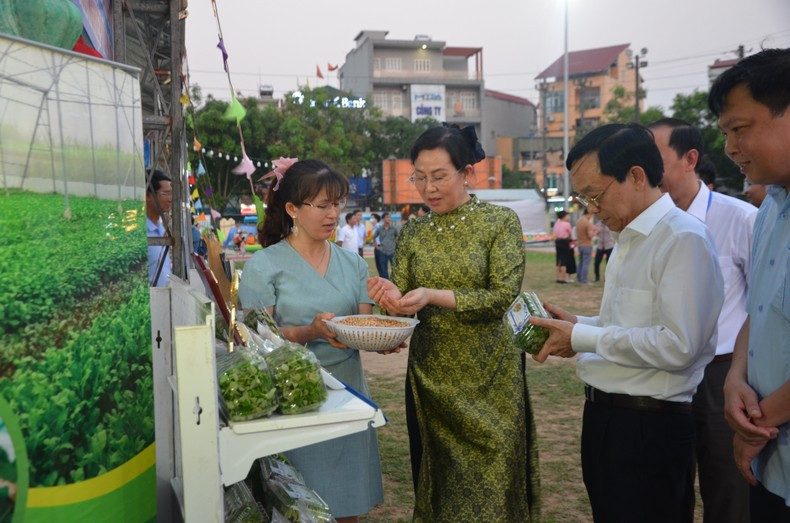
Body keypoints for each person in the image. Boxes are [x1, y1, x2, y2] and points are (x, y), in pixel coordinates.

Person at [530, 123, 724, 523]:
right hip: (606, 418)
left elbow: (678, 344)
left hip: (650, 428)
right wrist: (578, 325)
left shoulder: (682, 239)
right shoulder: (629, 239)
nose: (591, 209)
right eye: (583, 198)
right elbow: (629, 322)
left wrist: (583, 336)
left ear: (636, 176)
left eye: (595, 195)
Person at [368, 125, 540, 522]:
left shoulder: (500, 222)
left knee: (494, 482)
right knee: (437, 482)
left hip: (491, 378)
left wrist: (433, 296)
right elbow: (406, 306)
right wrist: (392, 299)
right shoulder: (412, 233)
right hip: (430, 378)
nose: (428, 188)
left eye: (439, 176)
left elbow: (502, 296)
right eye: (420, 177)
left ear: (467, 173)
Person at [238, 159, 384, 522]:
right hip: (294, 401)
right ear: (292, 209)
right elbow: (254, 341)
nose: (333, 213)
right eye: (322, 205)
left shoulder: (354, 264)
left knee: (347, 506)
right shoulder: (264, 266)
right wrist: (310, 332)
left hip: (349, 398)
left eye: (338, 204)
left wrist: (383, 337)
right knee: (298, 508)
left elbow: (362, 325)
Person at [650, 117, 757, 523]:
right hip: (662, 373)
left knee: (728, 490)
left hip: (721, 376)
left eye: (654, 157)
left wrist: (742, 377)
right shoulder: (646, 224)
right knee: (664, 487)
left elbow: (760, 305)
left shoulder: (740, 219)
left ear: (689, 158)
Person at [710, 48, 790, 520]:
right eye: (725, 134)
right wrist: (735, 379)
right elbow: (759, 312)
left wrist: (756, 422)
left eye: (740, 130)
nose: (730, 148)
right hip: (770, 461)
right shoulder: (770, 209)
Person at [145, 170, 173, 287]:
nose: (170, 199)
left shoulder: (161, 228)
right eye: (165, 194)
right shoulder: (142, 231)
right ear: (148, 196)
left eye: (171, 193)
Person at [575, 208, 598, 284]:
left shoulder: (578, 221)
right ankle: (584, 280)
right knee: (586, 263)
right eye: (591, 214)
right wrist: (596, 231)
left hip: (580, 244)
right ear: (589, 213)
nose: (591, 216)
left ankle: (579, 278)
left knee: (581, 262)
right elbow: (590, 235)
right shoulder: (587, 223)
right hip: (587, 245)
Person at [371, 212, 397, 279]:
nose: (389, 218)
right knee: (383, 270)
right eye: (387, 217)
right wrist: (376, 247)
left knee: (395, 269)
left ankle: (395, 283)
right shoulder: (379, 229)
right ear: (383, 219)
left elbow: (398, 238)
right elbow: (373, 237)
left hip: (392, 251)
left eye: (389, 217)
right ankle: (386, 283)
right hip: (383, 251)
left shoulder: (394, 229)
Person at [552, 210, 573, 283]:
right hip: (565, 242)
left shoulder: (556, 223)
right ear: (564, 216)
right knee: (564, 260)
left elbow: (554, 233)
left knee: (558, 260)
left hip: (557, 242)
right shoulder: (567, 224)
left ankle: (558, 277)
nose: (568, 217)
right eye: (567, 216)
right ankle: (564, 278)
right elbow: (570, 234)